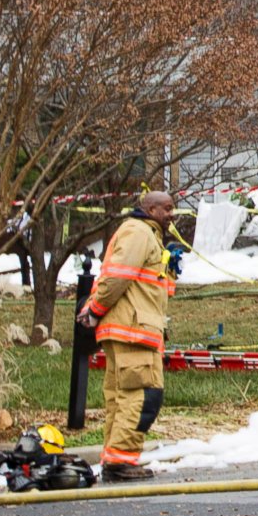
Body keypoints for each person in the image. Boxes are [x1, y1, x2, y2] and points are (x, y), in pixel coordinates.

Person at [82, 192, 179, 480]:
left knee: (124, 397)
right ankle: (120, 461)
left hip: (134, 328)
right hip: (133, 330)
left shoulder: (145, 234)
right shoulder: (138, 233)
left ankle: (116, 458)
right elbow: (117, 278)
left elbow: (146, 287)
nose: (172, 214)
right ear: (151, 209)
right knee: (142, 395)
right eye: (167, 209)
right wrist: (95, 310)